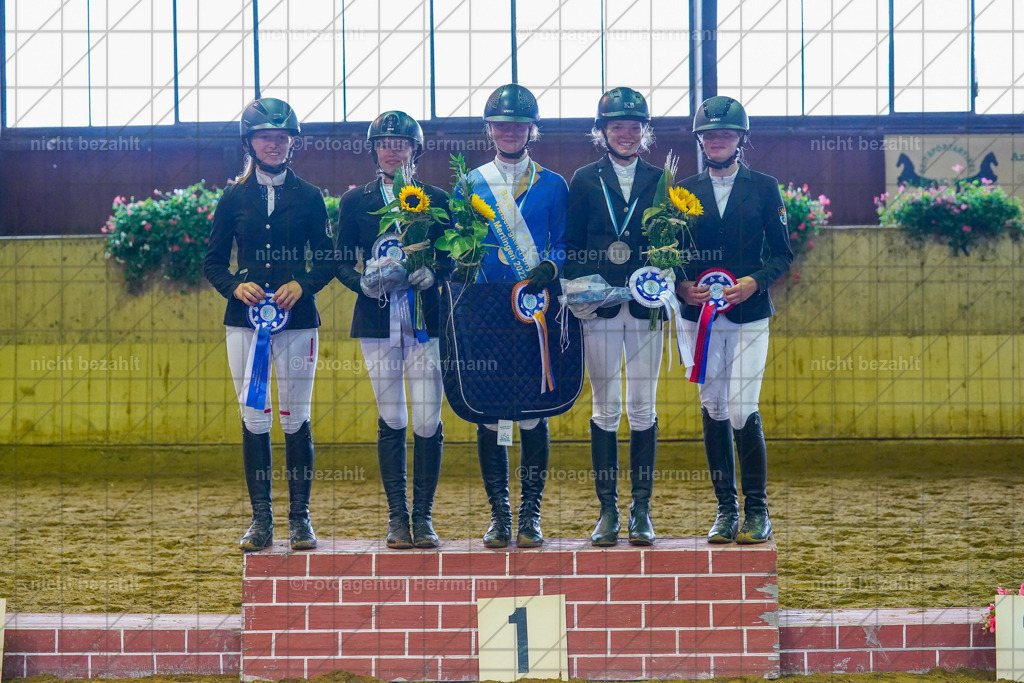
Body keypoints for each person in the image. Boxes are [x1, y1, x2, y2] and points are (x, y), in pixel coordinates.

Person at [203, 97, 335, 551]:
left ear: (291, 142)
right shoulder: (233, 197)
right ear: (250, 142)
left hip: (298, 321)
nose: (274, 144)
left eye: (282, 137)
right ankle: (262, 520)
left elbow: (330, 258)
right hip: (245, 323)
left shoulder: (310, 196)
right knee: (254, 417)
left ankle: (300, 519)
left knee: (296, 417)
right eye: (265, 137)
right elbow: (214, 262)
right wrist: (235, 287)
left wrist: (305, 283)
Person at [677, 96, 793, 545]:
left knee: (743, 407)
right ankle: (726, 510)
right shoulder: (681, 192)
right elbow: (670, 257)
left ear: (740, 138)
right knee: (713, 407)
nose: (717, 140)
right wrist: (683, 285)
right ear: (701, 140)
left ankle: (757, 510)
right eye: (709, 134)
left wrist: (755, 282)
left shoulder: (765, 187)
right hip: (699, 314)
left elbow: (783, 255)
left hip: (747, 314)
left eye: (725, 133)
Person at [335, 111, 449, 549]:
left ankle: (424, 518)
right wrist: (359, 282)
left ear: (413, 149)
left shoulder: (436, 199)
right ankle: (397, 517)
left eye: (400, 143)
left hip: (426, 322)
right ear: (374, 149)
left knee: (426, 417)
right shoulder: (355, 202)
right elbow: (339, 260)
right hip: (377, 318)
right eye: (384, 142)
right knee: (392, 416)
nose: (392, 149)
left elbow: (450, 258)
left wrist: (434, 275)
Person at [468, 83, 568, 548]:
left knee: (532, 413)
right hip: (486, 308)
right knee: (491, 412)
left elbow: (565, 242)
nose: (509, 132)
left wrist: (551, 267)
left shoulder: (553, 184)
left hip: (536, 309)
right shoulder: (470, 182)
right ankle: (499, 516)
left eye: (518, 124)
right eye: (501, 124)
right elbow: (458, 243)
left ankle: (530, 514)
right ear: (490, 129)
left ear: (532, 130)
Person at [564, 87, 663, 547]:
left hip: (644, 309)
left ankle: (641, 509)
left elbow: (671, 245)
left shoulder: (662, 180)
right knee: (606, 408)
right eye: (616, 125)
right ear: (601, 131)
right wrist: (584, 284)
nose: (625, 133)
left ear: (645, 132)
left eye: (633, 125)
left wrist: (663, 276)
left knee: (642, 407)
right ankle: (607, 511)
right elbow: (572, 245)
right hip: (601, 310)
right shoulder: (584, 179)